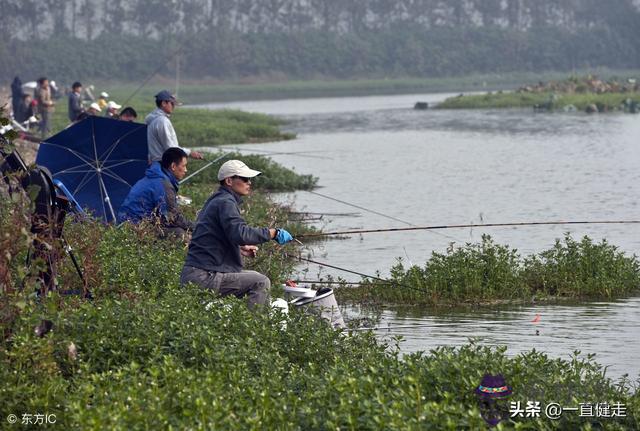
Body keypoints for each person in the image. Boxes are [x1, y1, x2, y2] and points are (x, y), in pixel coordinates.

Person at [180, 160, 293, 310]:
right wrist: (273, 233)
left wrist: (239, 249)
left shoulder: (217, 200)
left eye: (249, 179)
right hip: (204, 276)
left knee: (252, 275)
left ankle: (241, 321)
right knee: (261, 282)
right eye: (245, 179)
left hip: (194, 274)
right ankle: (252, 329)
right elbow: (241, 233)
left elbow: (212, 236)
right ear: (229, 181)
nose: (249, 183)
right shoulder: (226, 202)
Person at [117, 147, 194, 238]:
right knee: (179, 233)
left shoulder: (155, 176)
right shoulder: (164, 183)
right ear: (173, 166)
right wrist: (196, 227)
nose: (186, 170)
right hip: (134, 228)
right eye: (184, 166)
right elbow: (172, 218)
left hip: (126, 225)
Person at [145, 90, 203, 163]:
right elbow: (170, 148)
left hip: (156, 162)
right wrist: (190, 153)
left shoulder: (153, 119)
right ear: (163, 103)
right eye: (172, 104)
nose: (173, 106)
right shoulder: (162, 121)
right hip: (163, 163)